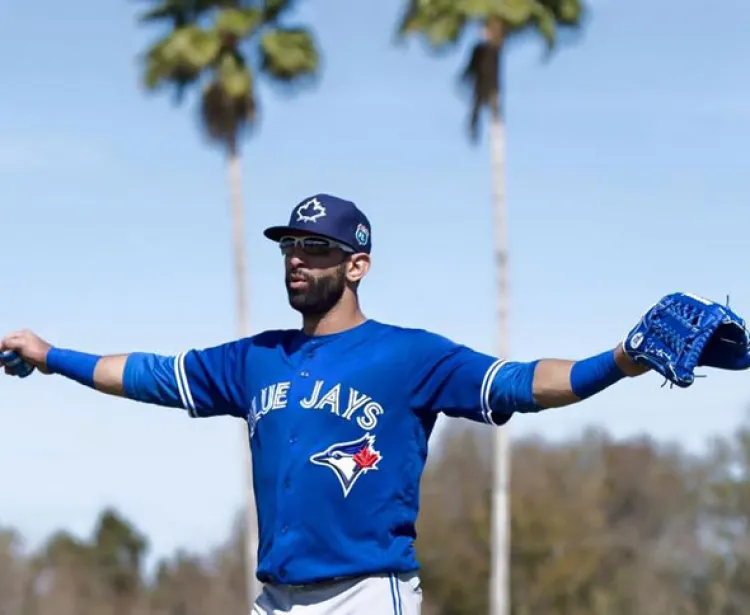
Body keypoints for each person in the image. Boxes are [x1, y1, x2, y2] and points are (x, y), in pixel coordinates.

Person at [2, 193, 650, 614]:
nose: (297, 260)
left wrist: (619, 359)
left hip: (365, 594)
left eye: (316, 249)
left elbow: (520, 381)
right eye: (290, 246)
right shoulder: (256, 358)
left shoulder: (408, 355)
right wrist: (53, 354)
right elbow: (150, 374)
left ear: (358, 265)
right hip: (275, 598)